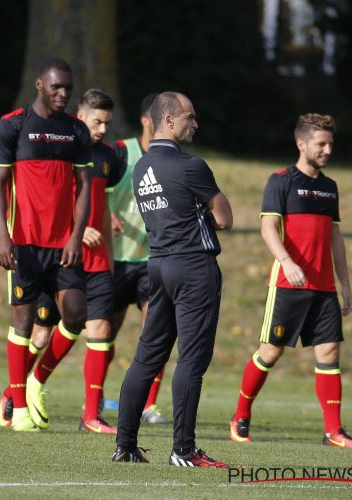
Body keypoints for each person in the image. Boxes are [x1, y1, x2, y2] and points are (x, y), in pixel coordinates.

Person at [229, 113, 352, 449]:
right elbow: (268, 229)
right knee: (270, 353)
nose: (328, 149)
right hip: (289, 285)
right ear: (301, 144)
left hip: (324, 288)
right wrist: (286, 261)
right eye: (321, 143)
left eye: (330, 143)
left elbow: (335, 238)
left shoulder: (329, 187)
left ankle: (333, 431)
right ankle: (240, 416)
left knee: (330, 353)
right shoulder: (281, 181)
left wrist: (344, 283)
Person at [112, 92, 233, 467]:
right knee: (192, 361)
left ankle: (126, 446)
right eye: (190, 118)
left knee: (146, 359)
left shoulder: (141, 167)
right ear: (168, 120)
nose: (195, 124)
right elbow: (225, 218)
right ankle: (183, 450)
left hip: (158, 266)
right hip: (193, 268)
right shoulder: (191, 166)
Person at [0, 57, 91, 432]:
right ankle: (17, 409)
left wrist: (76, 236)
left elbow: (83, 191)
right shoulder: (13, 125)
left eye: (68, 88)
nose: (63, 94)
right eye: (56, 87)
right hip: (24, 244)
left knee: (76, 315)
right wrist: (2, 235)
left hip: (63, 244)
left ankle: (36, 379)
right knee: (23, 321)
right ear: (39, 85)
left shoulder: (76, 131)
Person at [13, 89, 122, 434]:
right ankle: (15, 391)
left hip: (98, 261)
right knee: (41, 334)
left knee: (100, 331)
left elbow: (100, 208)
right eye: (96, 121)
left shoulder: (108, 158)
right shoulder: (61, 148)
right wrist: (75, 232)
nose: (102, 129)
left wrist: (110, 251)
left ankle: (90, 415)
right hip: (59, 255)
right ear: (80, 116)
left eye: (106, 122)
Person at [110, 93, 168, 424]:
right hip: (118, 259)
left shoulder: (169, 160)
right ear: (147, 121)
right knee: (107, 333)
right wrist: (106, 215)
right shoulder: (121, 153)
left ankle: (148, 404)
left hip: (153, 261)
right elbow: (94, 189)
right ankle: (100, 398)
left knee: (155, 332)